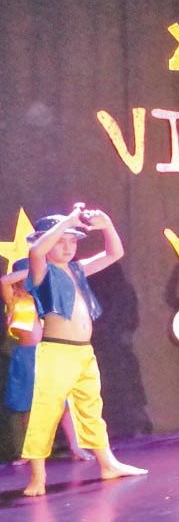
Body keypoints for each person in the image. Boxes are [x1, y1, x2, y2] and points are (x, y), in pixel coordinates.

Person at [20, 205, 147, 496]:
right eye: (61, 241)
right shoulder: (42, 271)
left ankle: (108, 463)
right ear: (49, 240)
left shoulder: (77, 269)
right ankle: (37, 476)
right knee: (46, 411)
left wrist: (108, 225)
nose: (67, 247)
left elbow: (114, 254)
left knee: (91, 409)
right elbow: (38, 251)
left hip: (83, 353)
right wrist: (67, 221)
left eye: (72, 241)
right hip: (57, 352)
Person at [2, 258, 92, 465]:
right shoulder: (13, 299)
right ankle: (30, 452)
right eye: (26, 277)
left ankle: (75, 446)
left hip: (48, 353)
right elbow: (4, 280)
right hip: (25, 357)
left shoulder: (45, 297)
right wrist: (31, 271)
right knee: (28, 405)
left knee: (62, 402)